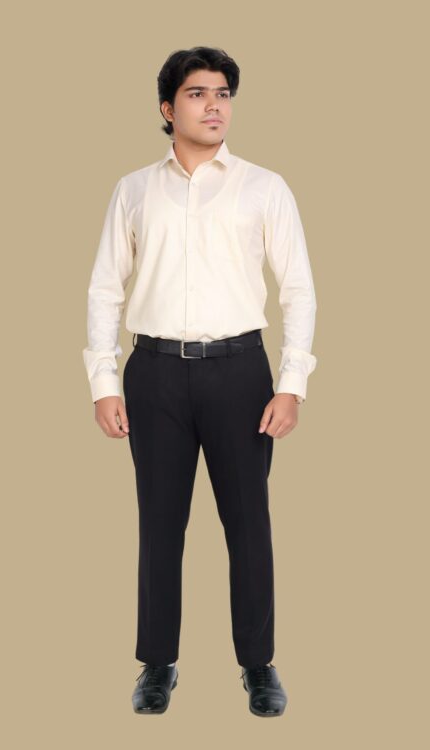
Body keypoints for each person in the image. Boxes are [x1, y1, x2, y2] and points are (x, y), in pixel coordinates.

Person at [82, 46, 317, 717]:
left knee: (249, 523)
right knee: (159, 523)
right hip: (154, 374)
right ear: (167, 108)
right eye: (197, 94)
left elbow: (298, 289)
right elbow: (105, 288)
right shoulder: (133, 190)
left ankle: (258, 665)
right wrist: (104, 381)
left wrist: (292, 382)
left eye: (223, 94)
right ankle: (157, 663)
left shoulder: (264, 187)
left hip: (241, 373)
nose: (214, 106)